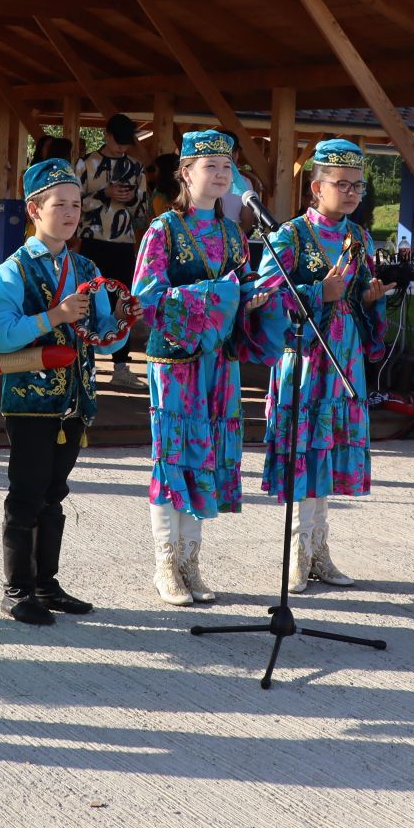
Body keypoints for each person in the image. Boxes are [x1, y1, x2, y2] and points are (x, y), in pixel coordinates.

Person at [130, 130, 271, 606]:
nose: (221, 174)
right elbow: (146, 298)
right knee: (174, 457)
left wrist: (255, 297)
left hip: (219, 362)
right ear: (186, 174)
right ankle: (166, 565)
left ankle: (192, 562)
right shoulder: (163, 230)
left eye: (227, 167)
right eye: (210, 166)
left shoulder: (236, 233)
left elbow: (243, 290)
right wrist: (219, 296)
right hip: (177, 360)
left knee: (205, 454)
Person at [0, 158, 126, 624]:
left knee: (55, 493)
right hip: (30, 403)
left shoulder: (86, 265)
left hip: (75, 401)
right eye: (59, 204)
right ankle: (16, 587)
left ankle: (46, 584)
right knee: (26, 492)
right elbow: (1, 336)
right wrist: (55, 316)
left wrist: (122, 319)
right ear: (33, 209)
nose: (69, 213)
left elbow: (108, 336)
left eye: (76, 205)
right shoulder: (13, 270)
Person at [253, 139, 391, 592]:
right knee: (304, 451)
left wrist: (368, 299)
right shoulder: (289, 236)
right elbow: (264, 299)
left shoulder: (361, 237)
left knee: (327, 450)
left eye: (358, 186)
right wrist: (318, 295)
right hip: (305, 360)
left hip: (344, 356)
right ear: (316, 187)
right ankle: (297, 552)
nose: (351, 193)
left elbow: (357, 294)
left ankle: (319, 551)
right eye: (341, 184)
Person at [76, 113, 147, 385]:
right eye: (118, 142)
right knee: (87, 300)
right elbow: (72, 201)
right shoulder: (86, 164)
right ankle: (84, 360)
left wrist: (129, 200)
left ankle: (120, 366)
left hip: (123, 242)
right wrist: (104, 195)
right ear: (106, 135)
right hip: (91, 241)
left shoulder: (136, 167)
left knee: (123, 302)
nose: (122, 148)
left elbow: (141, 209)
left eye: (126, 143)